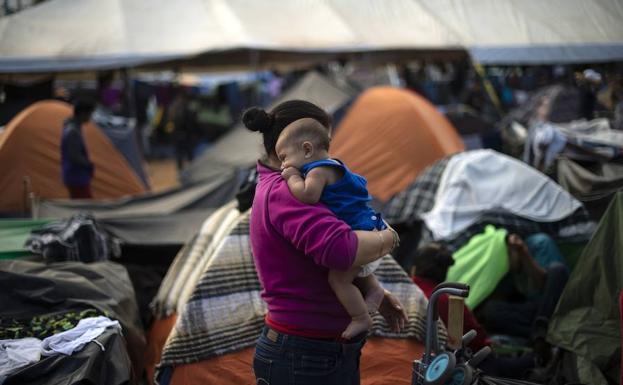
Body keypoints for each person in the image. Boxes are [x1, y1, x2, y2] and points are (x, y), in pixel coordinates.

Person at [244, 100, 408, 385]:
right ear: (303, 146)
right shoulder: (287, 191)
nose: (327, 155)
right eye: (322, 146)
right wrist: (389, 236)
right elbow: (341, 250)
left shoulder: (280, 182)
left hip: (311, 351)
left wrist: (374, 291)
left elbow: (317, 253)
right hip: (305, 356)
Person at [276, 117, 389, 339]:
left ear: (306, 149)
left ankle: (360, 317)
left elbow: (308, 195)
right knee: (353, 270)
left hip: (359, 233)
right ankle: (375, 290)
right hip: (369, 226)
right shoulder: (335, 165)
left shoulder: (317, 171)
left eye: (284, 158)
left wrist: (292, 178)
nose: (282, 165)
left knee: (338, 280)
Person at [412, 243, 535, 379]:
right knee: (522, 363)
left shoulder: (396, 294)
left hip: (413, 368)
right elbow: (475, 342)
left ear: (414, 269)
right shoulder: (449, 302)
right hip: (438, 372)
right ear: (445, 272)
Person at [477, 233, 569, 364]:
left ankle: (541, 332)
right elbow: (499, 296)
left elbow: (543, 286)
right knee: (492, 310)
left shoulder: (539, 243)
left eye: (509, 255)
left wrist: (523, 253)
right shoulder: (505, 267)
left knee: (557, 270)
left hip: (555, 303)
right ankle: (539, 337)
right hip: (534, 312)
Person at [61, 98, 96, 199]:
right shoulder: (72, 131)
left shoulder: (75, 128)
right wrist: (88, 164)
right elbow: (74, 156)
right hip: (76, 177)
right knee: (84, 205)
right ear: (82, 113)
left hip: (77, 175)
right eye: (89, 114)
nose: (90, 118)